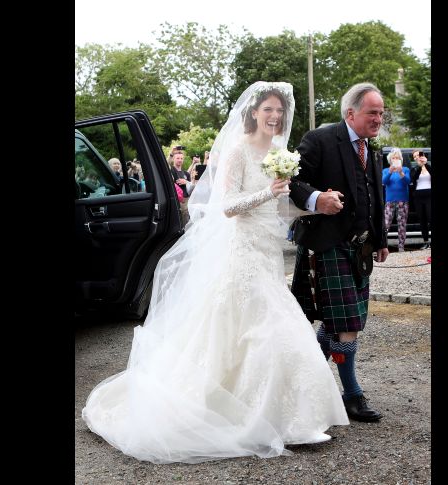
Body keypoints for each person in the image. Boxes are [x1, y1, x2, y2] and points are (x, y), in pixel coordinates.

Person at [82, 81, 348, 464]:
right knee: (266, 326)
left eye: (279, 111)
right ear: (254, 112)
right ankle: (257, 417)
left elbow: (280, 209)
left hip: (268, 251)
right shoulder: (238, 150)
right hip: (241, 252)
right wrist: (269, 192)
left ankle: (286, 416)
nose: (275, 117)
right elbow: (226, 207)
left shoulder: (280, 153)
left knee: (271, 326)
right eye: (268, 110)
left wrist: (314, 208)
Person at [289, 82, 390, 422]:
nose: (378, 118)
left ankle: (304, 387)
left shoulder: (371, 149)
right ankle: (352, 394)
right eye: (372, 112)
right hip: (326, 244)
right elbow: (293, 181)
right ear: (351, 113)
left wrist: (381, 238)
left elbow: (375, 196)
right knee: (346, 325)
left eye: (380, 112)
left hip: (359, 250)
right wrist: (318, 199)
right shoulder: (320, 140)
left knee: (339, 324)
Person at [381, 147, 411, 251]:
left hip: (403, 201)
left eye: (397, 158)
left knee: (402, 224)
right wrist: (390, 172)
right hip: (390, 201)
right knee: (386, 224)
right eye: (393, 158)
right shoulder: (385, 170)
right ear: (390, 159)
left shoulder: (405, 169)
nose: (395, 159)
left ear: (400, 159)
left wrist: (401, 172)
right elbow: (384, 182)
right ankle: (383, 246)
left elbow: (407, 182)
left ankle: (401, 247)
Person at [410, 150, 432, 250]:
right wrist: (420, 166)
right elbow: (414, 178)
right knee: (422, 220)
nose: (417, 158)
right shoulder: (414, 168)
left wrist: (425, 164)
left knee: (430, 217)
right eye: (414, 157)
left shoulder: (429, 166)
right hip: (418, 197)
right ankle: (426, 241)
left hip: (429, 196)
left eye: (418, 155)